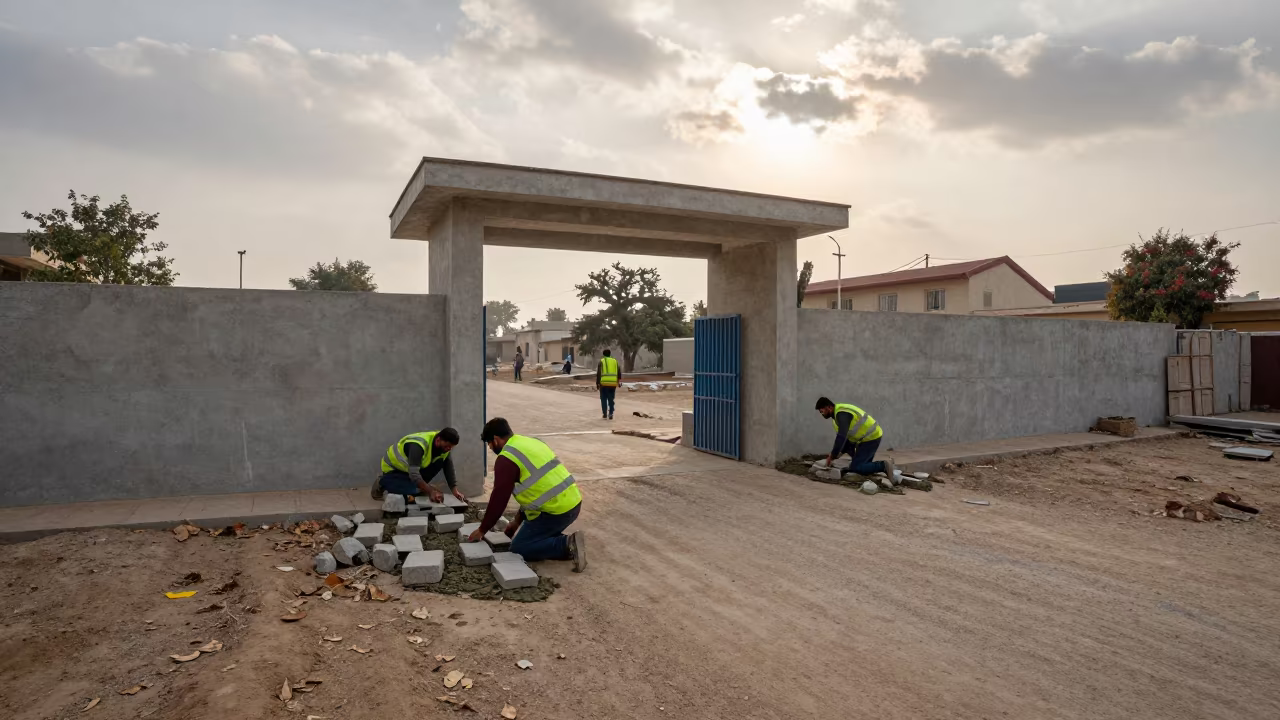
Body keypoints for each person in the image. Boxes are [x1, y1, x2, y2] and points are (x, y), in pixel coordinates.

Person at [467, 417, 587, 571]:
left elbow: (499, 499)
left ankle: (567, 544)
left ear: (496, 440)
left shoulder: (506, 458)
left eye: (489, 443)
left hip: (556, 511)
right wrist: (516, 522)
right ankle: (566, 542)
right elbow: (536, 490)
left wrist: (482, 530)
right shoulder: (531, 442)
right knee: (531, 537)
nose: (490, 448)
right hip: (573, 503)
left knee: (520, 548)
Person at [370, 428, 467, 503]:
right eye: (447, 446)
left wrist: (454, 490)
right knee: (412, 491)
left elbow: (448, 468)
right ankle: (382, 482)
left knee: (441, 462)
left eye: (451, 447)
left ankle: (418, 487)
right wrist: (430, 491)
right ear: (438, 440)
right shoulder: (418, 446)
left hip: (410, 470)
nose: (448, 449)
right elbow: (414, 474)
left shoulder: (444, 446)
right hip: (394, 470)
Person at [814, 397, 896, 482]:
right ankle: (865, 466)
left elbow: (841, 437)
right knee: (861, 466)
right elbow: (846, 440)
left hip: (871, 437)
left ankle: (883, 465)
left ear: (829, 407)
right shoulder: (836, 418)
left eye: (822, 411)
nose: (822, 414)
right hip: (863, 440)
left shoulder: (842, 414)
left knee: (856, 467)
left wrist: (833, 455)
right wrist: (839, 453)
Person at [596, 349, 620, 420]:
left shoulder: (602, 361)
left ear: (603, 354)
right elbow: (619, 372)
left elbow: (599, 373)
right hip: (613, 383)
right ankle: (611, 413)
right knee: (611, 398)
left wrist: (597, 383)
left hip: (604, 383)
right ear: (610, 354)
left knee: (603, 399)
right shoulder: (615, 361)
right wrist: (618, 382)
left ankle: (605, 413)